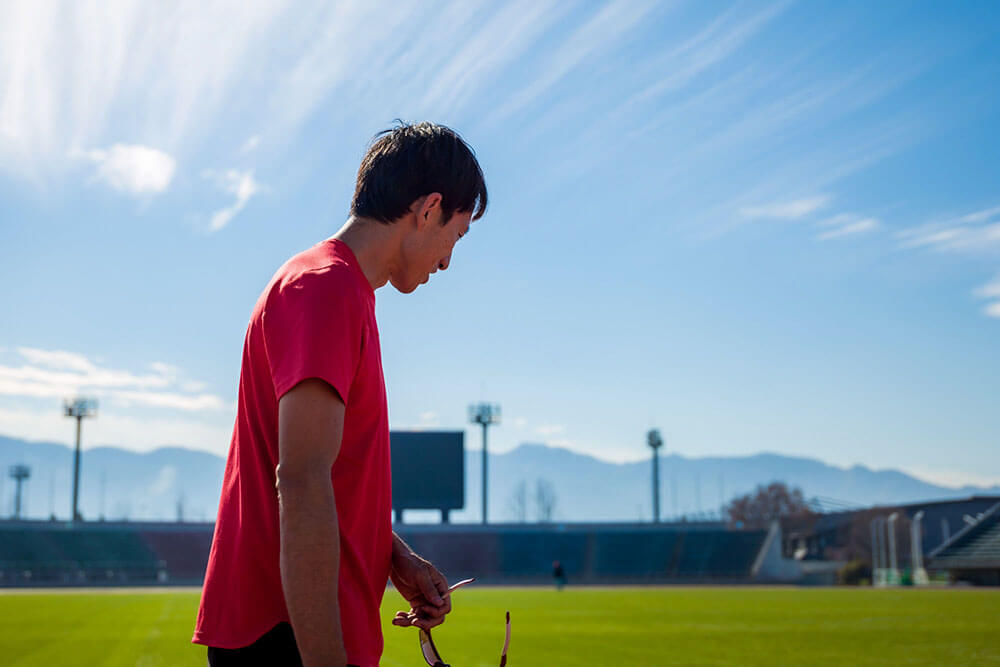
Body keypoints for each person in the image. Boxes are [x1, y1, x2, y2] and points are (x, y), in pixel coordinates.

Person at [192, 122, 488, 667]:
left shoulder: (338, 289)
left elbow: (321, 474)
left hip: (294, 630)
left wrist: (391, 554)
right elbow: (302, 481)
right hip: (286, 634)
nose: (447, 260)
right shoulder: (325, 288)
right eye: (457, 235)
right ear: (429, 210)